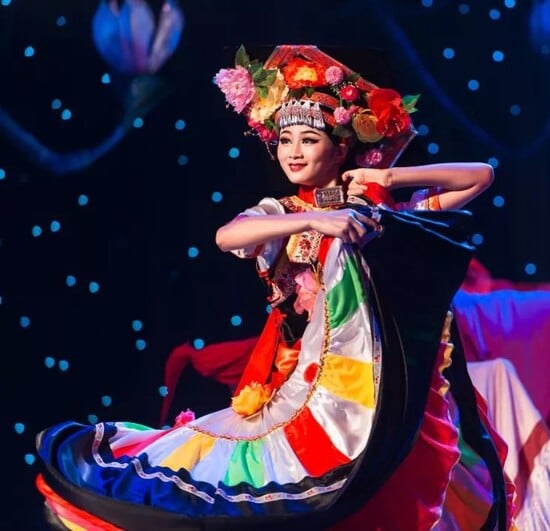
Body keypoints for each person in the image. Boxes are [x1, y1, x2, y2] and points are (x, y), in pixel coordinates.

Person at [34, 44, 513, 530]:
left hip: (387, 382)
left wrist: (388, 175)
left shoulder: (380, 211)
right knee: (279, 492)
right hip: (311, 383)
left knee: (386, 489)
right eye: (286, 140)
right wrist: (317, 219)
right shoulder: (284, 212)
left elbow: (480, 176)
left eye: (309, 139)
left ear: (340, 148)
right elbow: (227, 236)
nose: (294, 152)